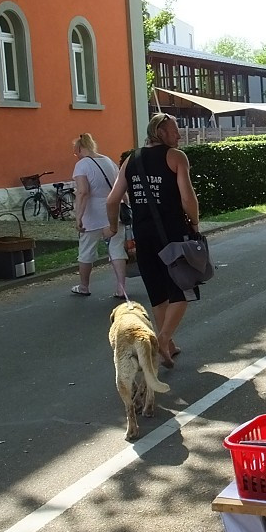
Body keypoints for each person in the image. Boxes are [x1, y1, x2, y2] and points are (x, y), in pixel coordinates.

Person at [105, 114, 200, 368]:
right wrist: (195, 221)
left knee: (158, 294)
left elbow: (112, 200)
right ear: (160, 132)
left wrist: (113, 226)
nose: (179, 136)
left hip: (143, 235)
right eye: (174, 131)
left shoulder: (130, 160)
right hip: (173, 235)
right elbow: (187, 198)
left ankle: (169, 346)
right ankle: (162, 339)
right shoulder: (176, 157)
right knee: (183, 290)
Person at [71, 133, 128, 299]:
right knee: (116, 249)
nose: (76, 156)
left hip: (92, 214)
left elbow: (83, 192)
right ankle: (120, 288)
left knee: (86, 250)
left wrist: (78, 216)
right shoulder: (109, 161)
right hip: (114, 210)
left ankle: (84, 286)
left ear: (81, 149)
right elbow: (121, 186)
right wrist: (127, 205)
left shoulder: (82, 165)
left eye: (75, 152)